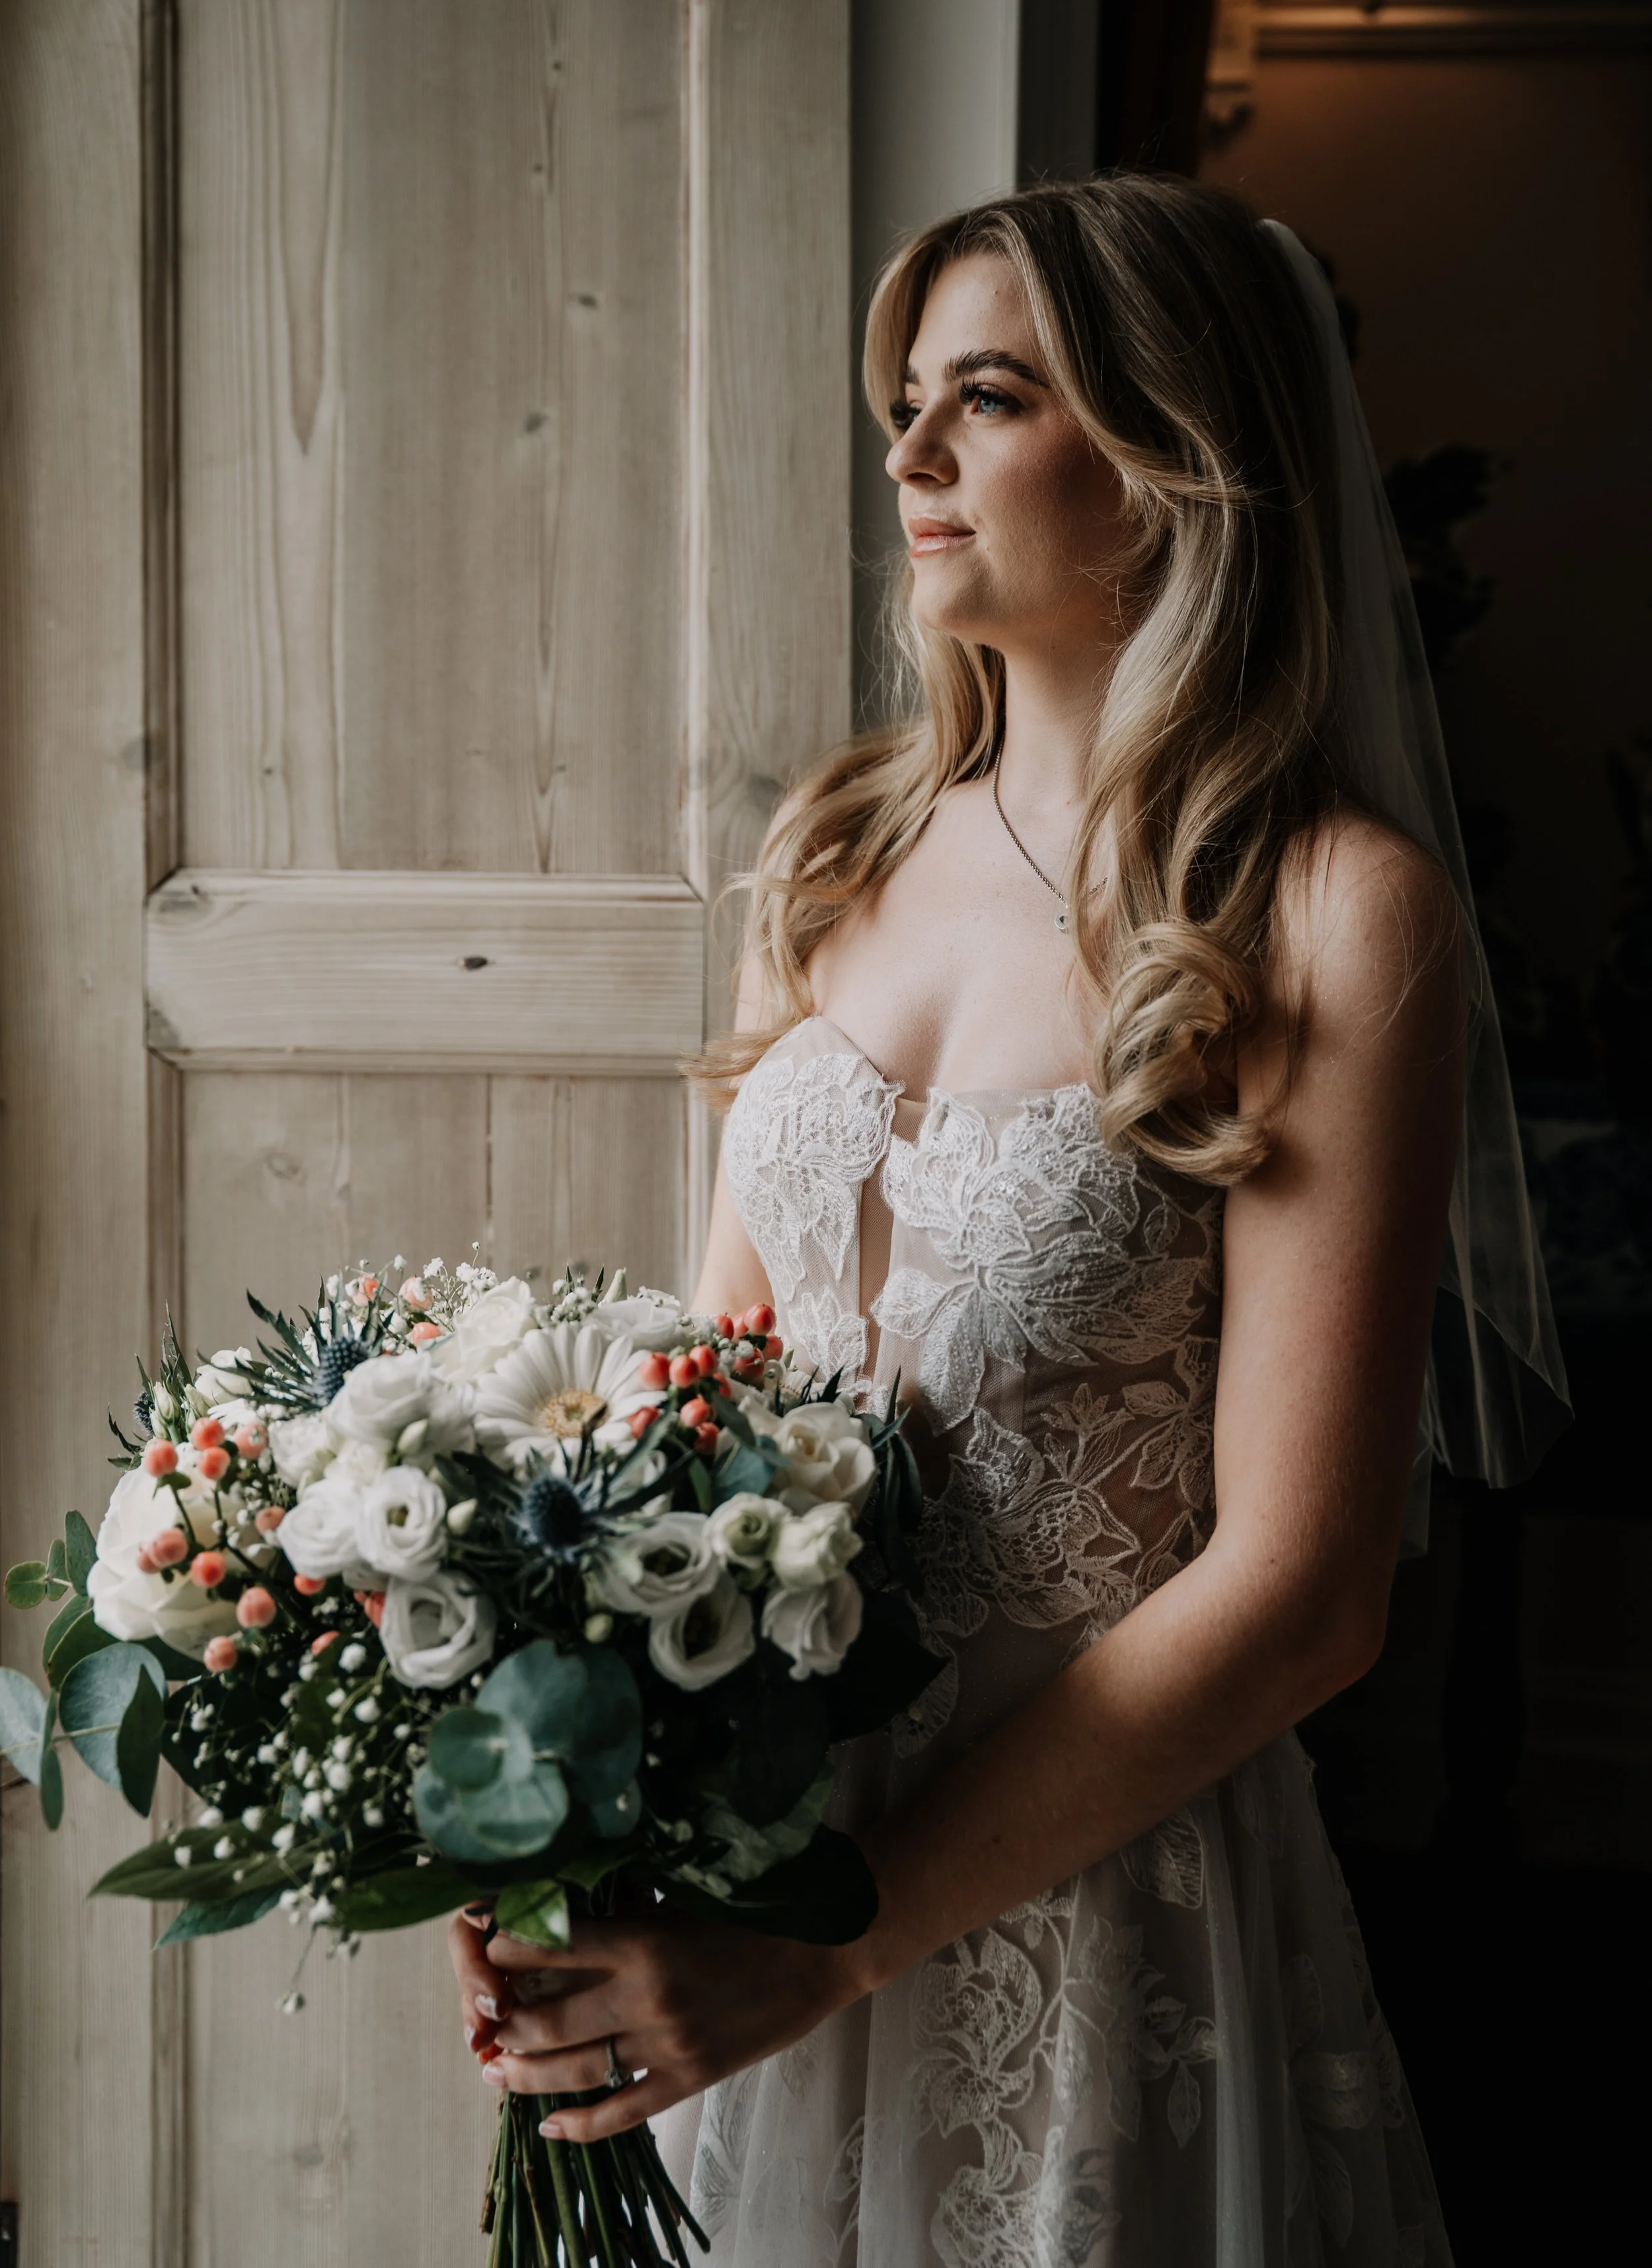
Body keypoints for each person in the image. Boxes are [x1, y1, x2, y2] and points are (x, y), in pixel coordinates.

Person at [450, 175, 1563, 2264]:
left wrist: (837, 1945)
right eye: (904, 399)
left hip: (1085, 1919)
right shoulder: (841, 845)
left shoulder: (1327, 913)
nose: (907, 453)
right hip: (745, 1878)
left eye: (986, 395)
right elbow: (677, 1417)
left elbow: (1308, 1590)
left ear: (1174, 456)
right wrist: (563, 1816)